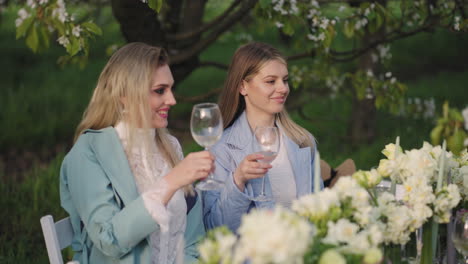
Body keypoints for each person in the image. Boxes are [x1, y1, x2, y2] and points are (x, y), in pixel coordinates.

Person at [60, 42, 212, 264]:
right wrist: (169, 183)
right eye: (160, 91)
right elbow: (107, 240)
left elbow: (192, 237)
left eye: (170, 88)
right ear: (125, 95)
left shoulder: (169, 145)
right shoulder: (87, 153)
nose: (172, 100)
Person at [203, 42, 324, 232]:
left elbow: (320, 213)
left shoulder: (303, 141)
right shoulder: (221, 149)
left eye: (285, 80)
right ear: (243, 86)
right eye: (270, 81)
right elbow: (215, 228)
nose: (283, 88)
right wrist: (238, 180)